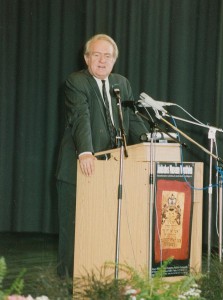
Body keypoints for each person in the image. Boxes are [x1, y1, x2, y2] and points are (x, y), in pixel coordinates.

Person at [56, 34, 148, 277]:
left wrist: (149, 142)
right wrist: (86, 152)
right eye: (96, 55)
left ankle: (100, 282)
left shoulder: (122, 83)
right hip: (79, 170)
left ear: (114, 60)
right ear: (87, 59)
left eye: (107, 56)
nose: (102, 60)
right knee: (74, 234)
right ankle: (66, 286)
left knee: (104, 231)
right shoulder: (77, 81)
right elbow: (80, 117)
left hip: (112, 172)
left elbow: (133, 119)